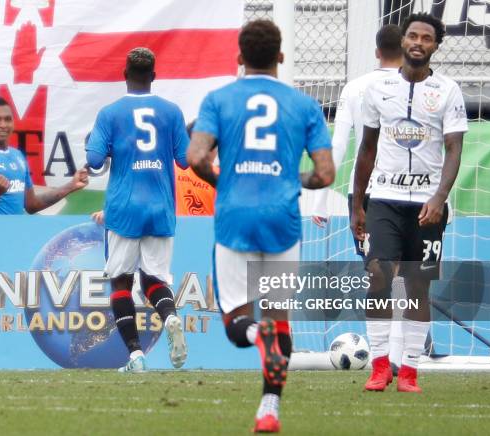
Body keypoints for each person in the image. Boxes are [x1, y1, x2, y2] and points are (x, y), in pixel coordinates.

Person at [187, 20, 334, 433]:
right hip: (282, 218)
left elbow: (196, 157)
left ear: (239, 58)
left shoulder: (218, 99)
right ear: (281, 58)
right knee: (279, 317)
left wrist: (226, 182)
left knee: (237, 322)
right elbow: (325, 174)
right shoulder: (304, 105)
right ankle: (269, 409)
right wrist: (292, 180)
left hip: (235, 216)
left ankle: (257, 336)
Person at [351, 13, 467, 393]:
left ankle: (411, 372)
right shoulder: (378, 89)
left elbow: (454, 150)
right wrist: (358, 205)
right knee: (379, 276)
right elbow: (366, 149)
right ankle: (380, 367)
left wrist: (439, 197)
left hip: (427, 206)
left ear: (436, 45)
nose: (418, 42)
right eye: (412, 35)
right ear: (402, 41)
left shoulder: (448, 91)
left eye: (426, 38)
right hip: (385, 199)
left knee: (418, 286)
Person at [311, 25, 407, 372]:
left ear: (376, 51)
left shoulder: (355, 88)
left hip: (365, 191)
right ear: (408, 48)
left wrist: (322, 199)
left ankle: (389, 356)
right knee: (404, 275)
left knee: (379, 274)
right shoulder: (419, 87)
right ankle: (400, 355)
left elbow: (337, 146)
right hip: (409, 190)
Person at [85, 47, 189, 373]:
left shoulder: (110, 113)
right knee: (153, 280)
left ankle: (135, 356)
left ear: (124, 75)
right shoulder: (171, 112)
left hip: (124, 209)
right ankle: (170, 316)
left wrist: (106, 145)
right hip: (160, 208)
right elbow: (185, 160)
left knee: (120, 283)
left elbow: (94, 161)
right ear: (154, 77)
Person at [0, 97, 88, 214]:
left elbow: (31, 204)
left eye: (8, 119)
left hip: (16, 233)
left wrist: (71, 185)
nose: (3, 125)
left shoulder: (17, 155)